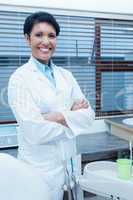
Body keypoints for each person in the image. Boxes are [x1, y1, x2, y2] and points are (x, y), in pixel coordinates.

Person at [8, 11, 95, 200]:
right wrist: (72, 118)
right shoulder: (19, 79)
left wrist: (56, 116)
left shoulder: (66, 76)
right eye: (39, 35)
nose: (45, 41)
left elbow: (89, 116)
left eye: (51, 36)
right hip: (39, 170)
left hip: (68, 165)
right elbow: (34, 131)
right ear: (27, 38)